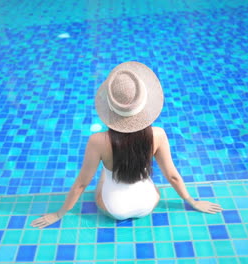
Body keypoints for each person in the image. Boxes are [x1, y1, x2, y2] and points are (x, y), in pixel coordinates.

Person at [31, 61, 222, 228]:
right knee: (144, 175)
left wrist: (58, 214)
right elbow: (172, 176)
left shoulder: (98, 141)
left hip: (113, 209)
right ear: (143, 106)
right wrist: (193, 201)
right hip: (148, 204)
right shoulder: (158, 135)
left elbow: (81, 184)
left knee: (103, 176)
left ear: (110, 109)